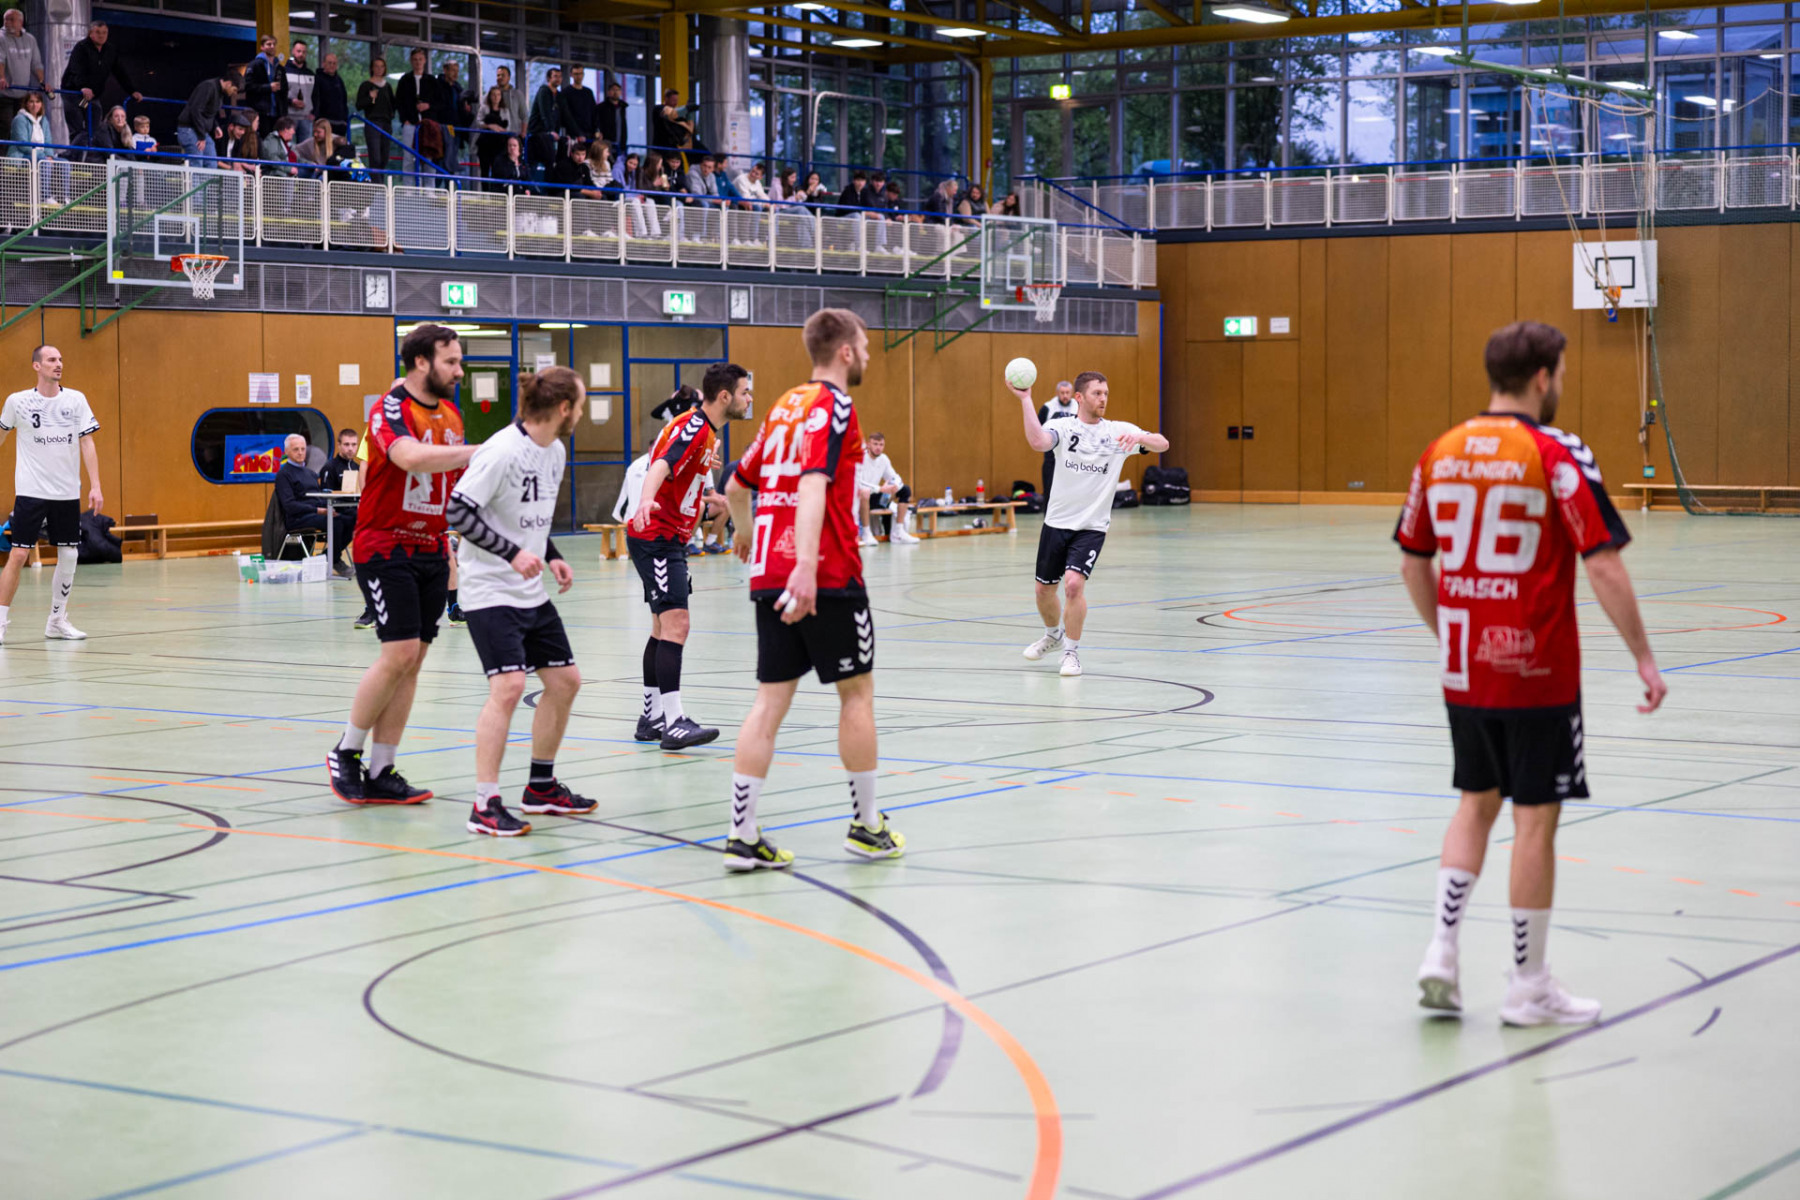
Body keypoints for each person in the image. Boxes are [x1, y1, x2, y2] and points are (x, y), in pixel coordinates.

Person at [1397, 320, 1665, 1027]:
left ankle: (1441, 953)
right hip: (1536, 672)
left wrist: (1449, 635)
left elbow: (1413, 563)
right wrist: (1643, 655)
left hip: (1464, 670)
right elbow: (1602, 563)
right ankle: (1527, 985)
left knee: (1473, 802)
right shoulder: (1557, 453)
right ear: (1543, 377)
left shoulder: (1441, 452)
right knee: (1535, 821)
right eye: (1562, 373)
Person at [719, 310, 902, 870]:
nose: (867, 354)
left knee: (769, 702)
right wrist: (805, 566)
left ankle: (742, 836)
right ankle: (867, 827)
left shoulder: (783, 406)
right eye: (863, 345)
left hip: (767, 575)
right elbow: (814, 483)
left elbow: (736, 484)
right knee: (857, 695)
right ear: (844, 351)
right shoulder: (834, 405)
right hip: (826, 575)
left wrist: (745, 534)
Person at [325, 324, 474, 805]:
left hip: (431, 546)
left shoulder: (452, 415)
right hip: (385, 544)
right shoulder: (390, 408)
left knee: (415, 660)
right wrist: (480, 450)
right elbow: (408, 457)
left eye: (459, 360)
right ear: (421, 363)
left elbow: (457, 480)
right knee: (399, 653)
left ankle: (382, 768)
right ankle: (346, 751)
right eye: (451, 361)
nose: (459, 370)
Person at [447, 366, 592, 837]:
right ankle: (484, 804)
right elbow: (458, 510)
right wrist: (512, 554)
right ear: (564, 408)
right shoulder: (502, 451)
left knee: (565, 681)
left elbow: (530, 519)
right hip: (489, 590)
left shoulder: (555, 452)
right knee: (508, 687)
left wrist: (553, 556)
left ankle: (541, 787)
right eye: (581, 404)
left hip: (530, 591)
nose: (582, 412)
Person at [1013, 370, 1169, 678]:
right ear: (1079, 397)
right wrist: (1026, 399)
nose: (1103, 399)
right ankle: (1053, 636)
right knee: (1043, 591)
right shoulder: (1062, 426)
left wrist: (1141, 438)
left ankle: (1071, 652)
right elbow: (1038, 441)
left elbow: (1163, 443)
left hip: (1092, 527)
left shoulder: (1118, 431)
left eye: (1106, 393)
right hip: (1057, 522)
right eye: (1097, 393)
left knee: (1073, 584)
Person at [627, 366, 751, 751]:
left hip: (667, 538)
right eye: (745, 392)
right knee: (677, 624)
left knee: (662, 628)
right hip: (657, 537)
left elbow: (681, 476)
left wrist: (710, 500)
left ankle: (651, 717)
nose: (749, 399)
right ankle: (674, 721)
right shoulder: (695, 426)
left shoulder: (706, 433)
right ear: (725, 396)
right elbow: (661, 464)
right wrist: (646, 499)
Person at [0, 345, 102, 645]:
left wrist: (95, 485)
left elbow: (87, 443)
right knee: (19, 553)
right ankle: (0, 621)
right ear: (37, 366)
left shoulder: (76, 400)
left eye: (60, 359)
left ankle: (57, 620)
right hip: (31, 492)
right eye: (51, 360)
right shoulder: (18, 401)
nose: (59, 364)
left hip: (66, 493)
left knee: (69, 553)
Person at [274, 433, 353, 573]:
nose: (300, 452)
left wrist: (333, 507)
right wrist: (318, 510)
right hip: (298, 518)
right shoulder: (283, 474)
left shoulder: (310, 473)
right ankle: (334, 560)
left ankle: (326, 557)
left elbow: (319, 498)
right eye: (296, 449)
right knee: (337, 522)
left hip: (317, 513)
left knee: (353, 518)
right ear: (286, 451)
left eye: (303, 449)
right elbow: (290, 505)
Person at [60, 20, 139, 150]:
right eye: (98, 32)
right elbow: (76, 69)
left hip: (90, 98)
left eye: (104, 32)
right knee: (77, 128)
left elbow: (120, 72)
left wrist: (132, 91)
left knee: (94, 127)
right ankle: (73, 156)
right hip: (74, 94)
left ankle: (90, 155)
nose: (101, 35)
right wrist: (83, 86)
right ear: (91, 33)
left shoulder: (110, 50)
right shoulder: (81, 47)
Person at [856, 431, 917, 545]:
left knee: (905, 490)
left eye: (881, 445)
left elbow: (895, 477)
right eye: (875, 444)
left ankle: (899, 532)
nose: (878, 448)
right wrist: (880, 489)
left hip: (875, 498)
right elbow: (858, 483)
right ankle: (866, 533)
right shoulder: (860, 458)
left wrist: (894, 486)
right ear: (868, 444)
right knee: (865, 492)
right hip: (858, 499)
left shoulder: (884, 459)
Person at [176, 71, 239, 165]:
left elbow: (208, 113)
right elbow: (195, 110)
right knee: (197, 163)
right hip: (189, 129)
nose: (234, 93)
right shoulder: (209, 86)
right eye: (234, 90)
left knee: (212, 163)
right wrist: (201, 137)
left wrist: (215, 126)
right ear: (229, 83)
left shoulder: (220, 92)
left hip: (201, 131)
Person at [0, 8, 45, 131]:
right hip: (4, 94)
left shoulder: (30, 39)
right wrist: (2, 77)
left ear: (21, 22)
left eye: (11, 20)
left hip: (23, 94)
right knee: (5, 127)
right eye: (6, 20)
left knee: (22, 128)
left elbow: (36, 64)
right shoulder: (1, 37)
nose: (7, 23)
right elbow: (0, 60)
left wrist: (42, 81)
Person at [394, 48, 435, 178]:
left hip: (427, 124)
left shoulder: (432, 81)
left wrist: (428, 106)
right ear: (411, 61)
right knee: (408, 156)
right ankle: (408, 187)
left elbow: (440, 102)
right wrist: (404, 119)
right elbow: (399, 101)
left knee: (428, 156)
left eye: (420, 59)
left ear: (425, 61)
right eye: (415, 60)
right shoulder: (405, 80)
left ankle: (429, 187)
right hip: (409, 123)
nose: (418, 62)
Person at [1037, 379, 1077, 501]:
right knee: (1049, 488)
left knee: (1071, 490)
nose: (1065, 396)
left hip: (1071, 454)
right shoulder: (1048, 407)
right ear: (1057, 393)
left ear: (1071, 393)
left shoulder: (1078, 406)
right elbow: (1038, 428)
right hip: (1052, 455)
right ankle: (1047, 512)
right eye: (1062, 393)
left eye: (1067, 393)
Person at [355, 56, 395, 174]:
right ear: (372, 68)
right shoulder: (366, 85)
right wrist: (370, 97)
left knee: (384, 157)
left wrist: (391, 116)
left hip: (386, 123)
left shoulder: (388, 86)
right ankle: (376, 183)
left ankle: (381, 182)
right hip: (373, 123)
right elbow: (359, 104)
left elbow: (393, 104)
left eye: (382, 66)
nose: (379, 69)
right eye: (376, 66)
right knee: (375, 157)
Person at [437, 60, 472, 178]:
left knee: (451, 159)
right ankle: (436, 186)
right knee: (440, 160)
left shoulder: (458, 88)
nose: (456, 74)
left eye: (457, 71)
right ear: (445, 70)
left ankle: (450, 186)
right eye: (453, 70)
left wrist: (466, 110)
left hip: (456, 130)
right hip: (441, 129)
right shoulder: (438, 86)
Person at [245, 35, 287, 126]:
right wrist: (268, 87)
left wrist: (283, 111)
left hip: (277, 112)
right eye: (269, 44)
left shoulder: (280, 68)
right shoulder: (254, 65)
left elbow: (285, 90)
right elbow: (248, 86)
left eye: (274, 44)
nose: (272, 46)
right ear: (262, 47)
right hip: (260, 111)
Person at [527, 67, 564, 169]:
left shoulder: (559, 96)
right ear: (549, 78)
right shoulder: (544, 91)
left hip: (549, 136)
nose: (558, 79)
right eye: (555, 76)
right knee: (541, 162)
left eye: (560, 76)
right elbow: (545, 113)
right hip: (537, 133)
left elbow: (563, 115)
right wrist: (550, 130)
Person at [475, 84, 511, 178]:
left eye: (498, 94)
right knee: (484, 171)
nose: (496, 97)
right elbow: (478, 122)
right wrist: (489, 126)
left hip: (499, 144)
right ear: (490, 96)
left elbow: (508, 127)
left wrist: (499, 128)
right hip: (485, 144)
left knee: (497, 170)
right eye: (494, 94)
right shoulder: (484, 108)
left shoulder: (505, 110)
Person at [285, 40, 315, 143]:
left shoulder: (310, 74)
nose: (301, 54)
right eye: (298, 51)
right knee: (288, 148)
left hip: (306, 117)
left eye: (304, 52)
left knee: (305, 148)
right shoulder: (284, 71)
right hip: (289, 117)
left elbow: (316, 95)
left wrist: (314, 113)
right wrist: (291, 101)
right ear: (293, 51)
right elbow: (279, 94)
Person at [558, 64, 597, 145]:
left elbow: (594, 112)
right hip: (573, 134)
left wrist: (597, 130)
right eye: (576, 74)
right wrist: (576, 132)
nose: (579, 76)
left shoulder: (588, 92)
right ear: (571, 75)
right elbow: (565, 115)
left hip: (589, 133)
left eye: (580, 73)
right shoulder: (566, 92)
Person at [313, 51, 349, 135]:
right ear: (323, 64)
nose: (332, 65)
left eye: (334, 63)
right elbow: (315, 100)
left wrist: (345, 120)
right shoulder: (317, 79)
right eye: (329, 63)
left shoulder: (339, 81)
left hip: (340, 124)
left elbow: (344, 101)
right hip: (324, 123)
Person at [8, 89, 49, 162]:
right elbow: (23, 145)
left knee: (64, 162)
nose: (35, 105)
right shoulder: (19, 119)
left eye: (37, 101)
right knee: (45, 162)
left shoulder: (44, 120)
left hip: (41, 156)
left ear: (41, 104)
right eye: (31, 102)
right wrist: (42, 155)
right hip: (22, 156)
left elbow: (48, 141)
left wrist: (49, 155)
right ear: (26, 104)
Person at [652, 87, 693, 152]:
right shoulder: (658, 109)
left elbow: (689, 128)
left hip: (673, 148)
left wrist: (690, 113)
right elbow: (669, 113)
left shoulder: (677, 116)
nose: (675, 103)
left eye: (676, 100)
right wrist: (687, 109)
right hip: (660, 147)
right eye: (673, 100)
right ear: (666, 98)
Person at [596, 78, 627, 150]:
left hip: (620, 143)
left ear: (621, 92)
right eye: (613, 90)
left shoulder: (622, 107)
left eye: (617, 90)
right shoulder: (601, 107)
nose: (615, 92)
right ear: (608, 92)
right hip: (606, 142)